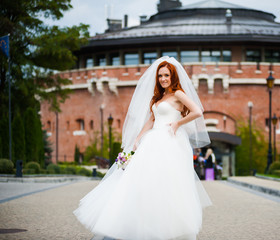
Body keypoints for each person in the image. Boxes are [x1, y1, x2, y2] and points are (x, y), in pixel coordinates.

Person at [74, 56, 212, 240]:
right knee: (142, 182)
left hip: (169, 142)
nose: (163, 79)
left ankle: (167, 227)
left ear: (173, 76)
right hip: (153, 139)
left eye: (167, 75)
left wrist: (178, 124)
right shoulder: (160, 96)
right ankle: (140, 224)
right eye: (160, 75)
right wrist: (138, 138)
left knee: (167, 184)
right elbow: (152, 119)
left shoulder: (178, 94)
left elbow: (197, 111)